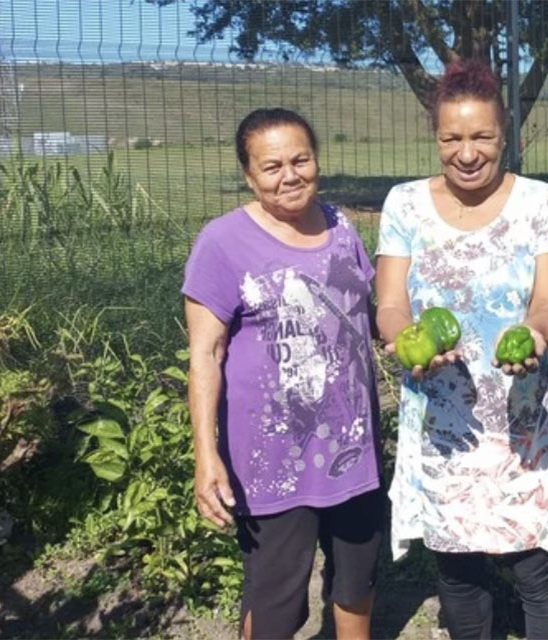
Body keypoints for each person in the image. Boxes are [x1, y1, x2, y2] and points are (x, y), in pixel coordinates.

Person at [374, 59, 548, 640]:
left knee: (536, 571)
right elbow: (389, 303)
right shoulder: (405, 205)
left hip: (521, 421)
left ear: (504, 134)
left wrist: (537, 334)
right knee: (459, 573)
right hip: (443, 423)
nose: (467, 152)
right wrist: (403, 340)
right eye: (452, 138)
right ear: (437, 138)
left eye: (482, 137)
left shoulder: (540, 203)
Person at [183, 108, 383, 640]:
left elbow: (370, 320)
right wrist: (207, 455)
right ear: (249, 175)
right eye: (271, 167)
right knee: (276, 603)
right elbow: (206, 354)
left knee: (357, 580)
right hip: (273, 463)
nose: (289, 175)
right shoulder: (223, 242)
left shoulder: (343, 229)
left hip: (353, 448)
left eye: (301, 159)